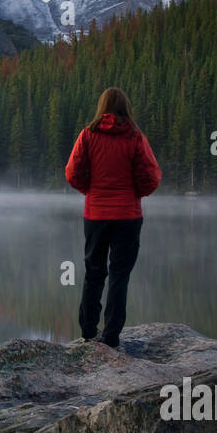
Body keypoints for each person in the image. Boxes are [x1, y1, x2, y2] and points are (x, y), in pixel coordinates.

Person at [64, 87, 161, 349]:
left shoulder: (88, 135)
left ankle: (87, 332)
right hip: (128, 216)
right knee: (120, 276)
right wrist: (135, 194)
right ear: (125, 108)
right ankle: (110, 337)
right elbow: (151, 176)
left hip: (95, 215)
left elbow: (72, 172)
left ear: (102, 107)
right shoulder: (135, 137)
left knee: (93, 273)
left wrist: (90, 191)